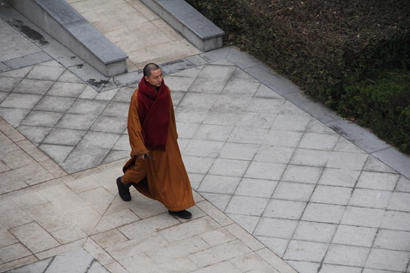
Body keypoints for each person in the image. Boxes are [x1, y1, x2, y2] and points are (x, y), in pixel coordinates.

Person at [116, 63, 195, 219]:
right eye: (156, 77)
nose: (160, 79)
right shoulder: (137, 97)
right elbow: (133, 125)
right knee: (141, 170)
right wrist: (139, 149)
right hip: (147, 144)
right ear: (146, 78)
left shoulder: (166, 92)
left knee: (173, 171)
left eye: (161, 75)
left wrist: (173, 137)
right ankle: (123, 182)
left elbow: (170, 114)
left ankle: (175, 206)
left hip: (166, 140)